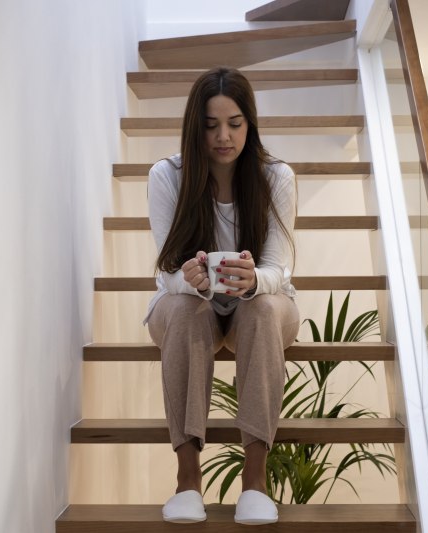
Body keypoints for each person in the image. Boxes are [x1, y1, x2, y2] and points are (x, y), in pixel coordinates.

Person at [144, 66, 299, 525]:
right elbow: (166, 269)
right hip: (188, 306)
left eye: (234, 123)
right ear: (196, 128)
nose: (223, 137)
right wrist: (187, 278)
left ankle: (255, 482)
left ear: (250, 124)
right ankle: (187, 480)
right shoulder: (167, 176)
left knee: (263, 310)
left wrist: (254, 281)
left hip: (263, 304)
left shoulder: (276, 176)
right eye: (211, 126)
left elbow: (280, 266)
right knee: (187, 310)